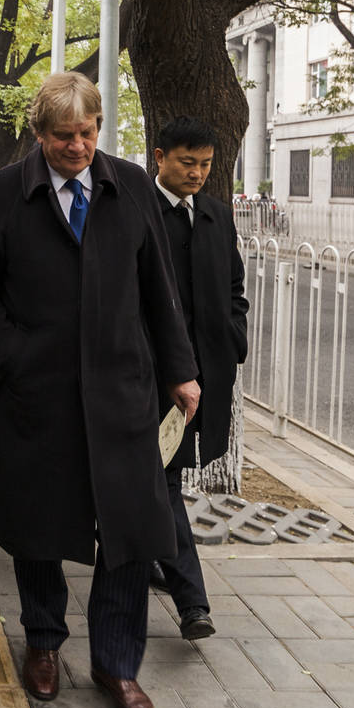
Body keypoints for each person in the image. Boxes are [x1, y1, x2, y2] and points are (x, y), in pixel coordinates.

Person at [0, 73, 200, 708]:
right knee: (38, 523)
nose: (77, 147)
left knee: (129, 528)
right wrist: (10, 359)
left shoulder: (131, 186)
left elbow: (159, 289)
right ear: (39, 134)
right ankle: (42, 639)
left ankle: (118, 666)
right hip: (38, 394)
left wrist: (181, 372)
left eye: (87, 133)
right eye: (63, 136)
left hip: (123, 391)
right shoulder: (5, 192)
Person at [148, 118, 249, 642]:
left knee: (166, 477)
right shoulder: (137, 211)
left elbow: (234, 287)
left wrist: (233, 339)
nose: (197, 173)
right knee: (164, 481)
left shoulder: (214, 213)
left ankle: (145, 553)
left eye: (206, 164)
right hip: (151, 378)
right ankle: (193, 603)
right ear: (160, 157)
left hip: (207, 374)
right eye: (187, 162)